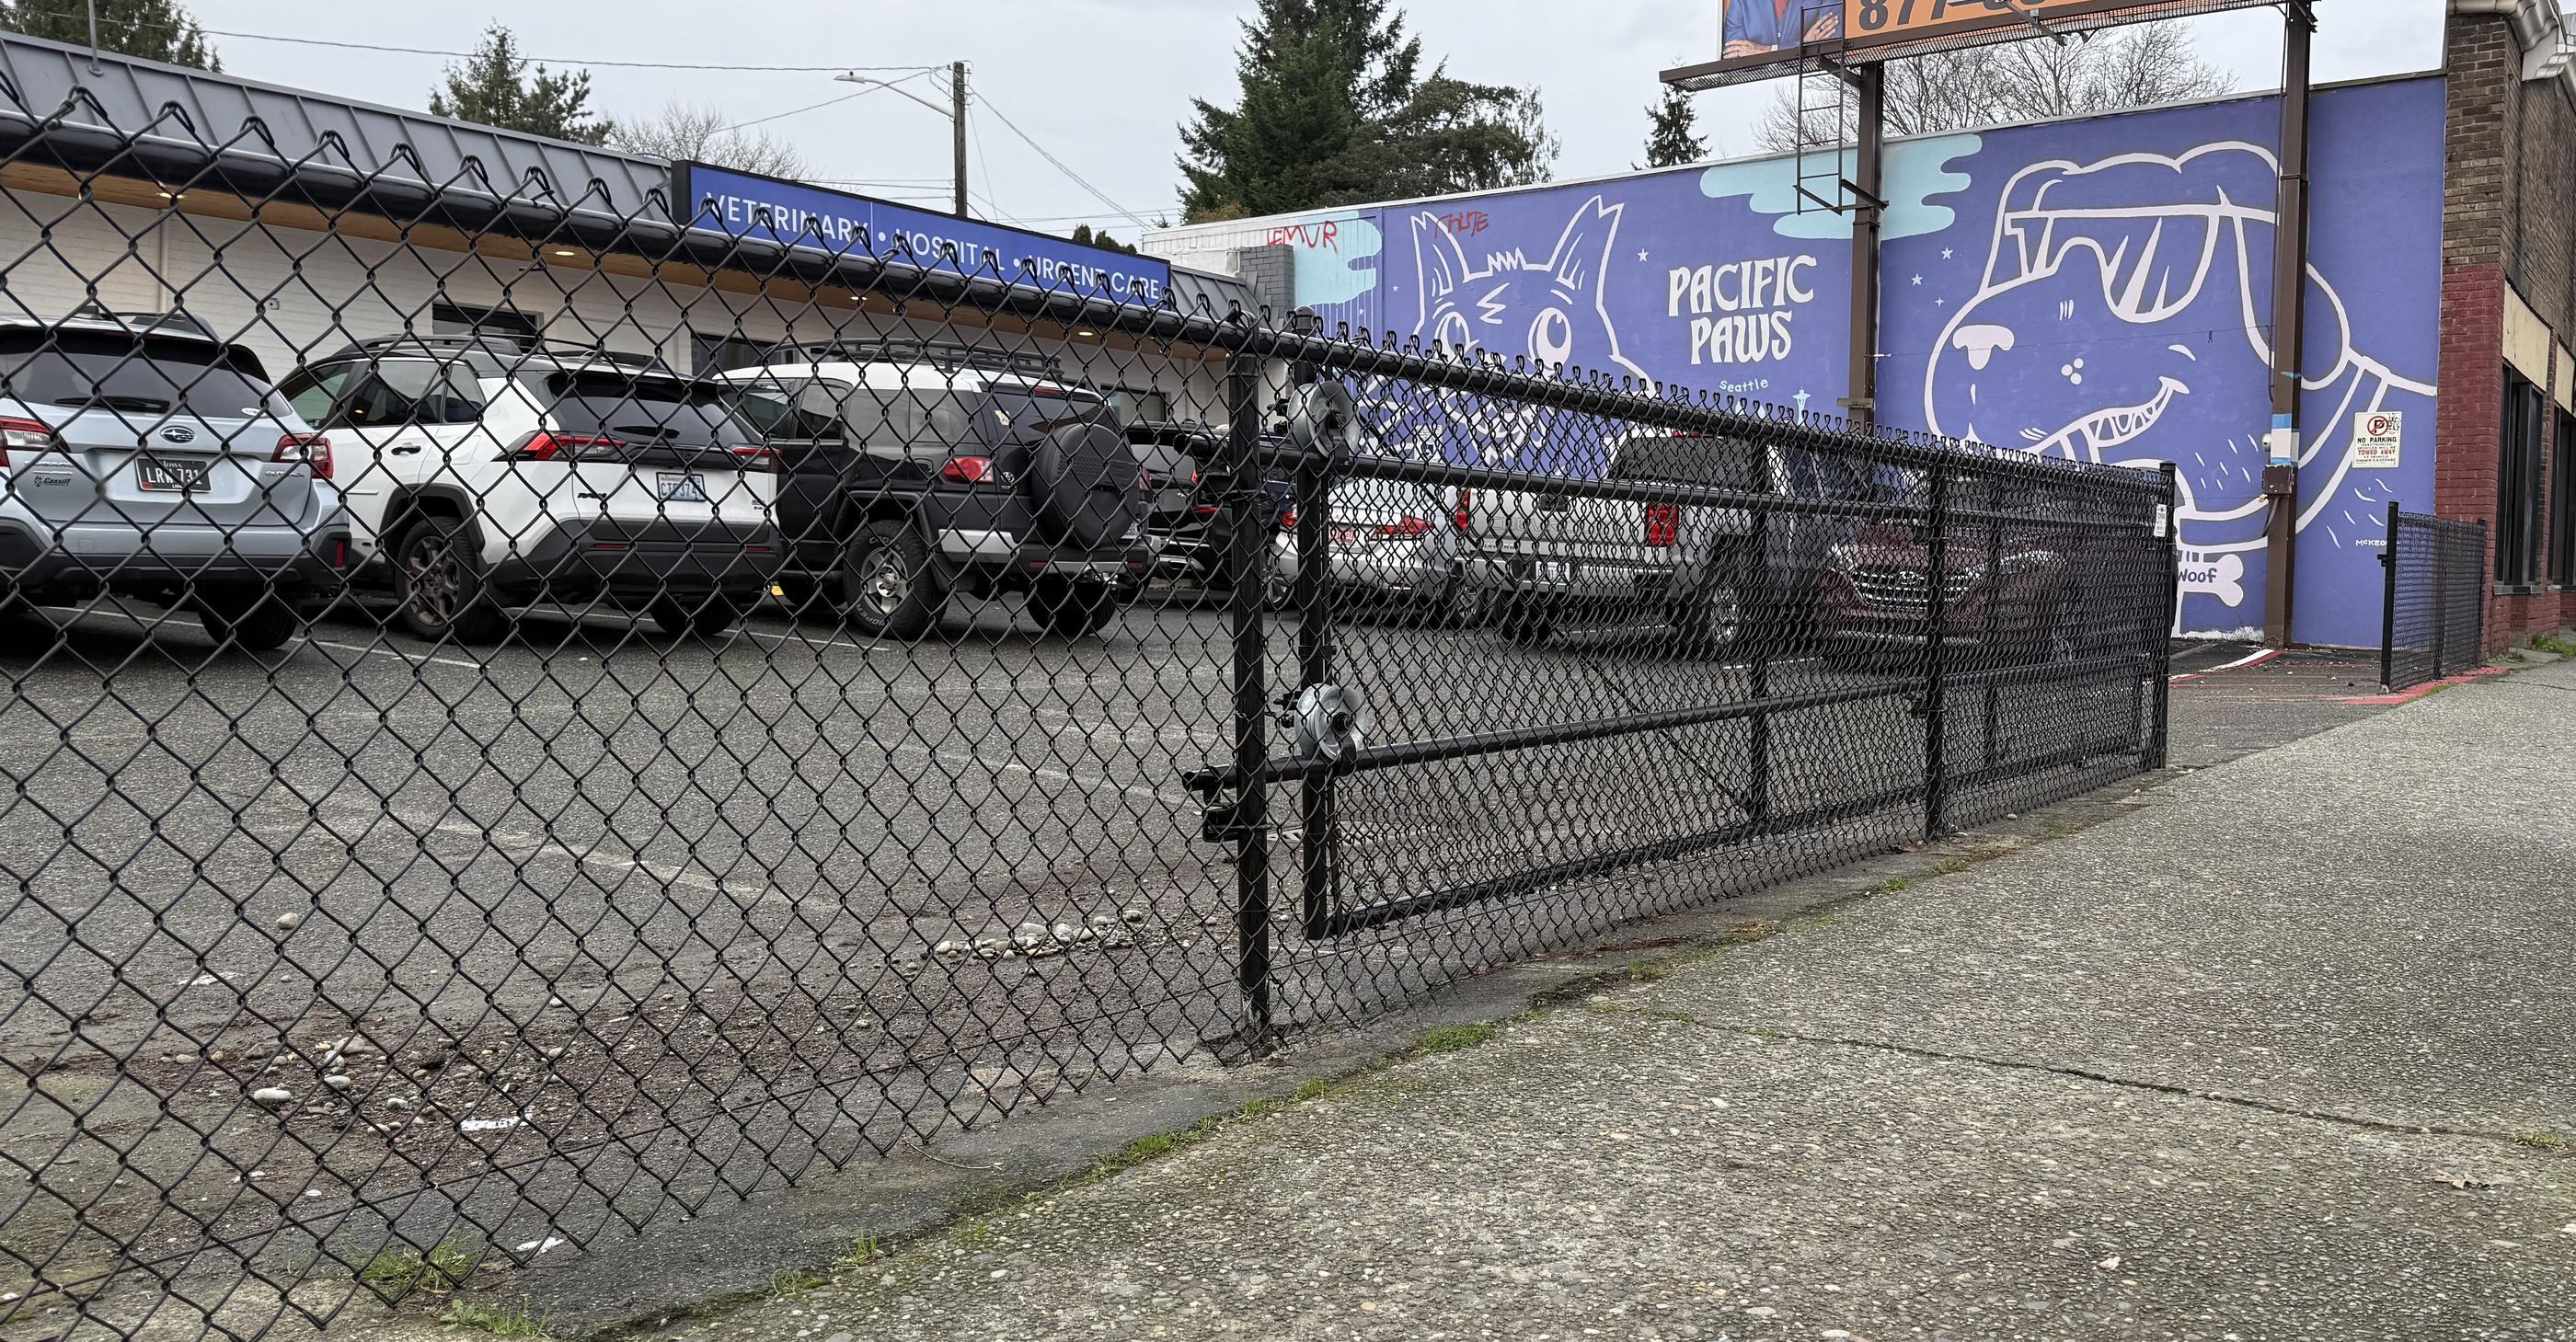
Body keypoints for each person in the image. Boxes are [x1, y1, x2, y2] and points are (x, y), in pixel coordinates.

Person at [1723, 0, 1843, 57]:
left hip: (1814, 87)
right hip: (1756, 93)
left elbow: (1829, 45)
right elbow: (1733, 55)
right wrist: (1802, 46)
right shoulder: (1742, 2)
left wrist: (1768, 50)